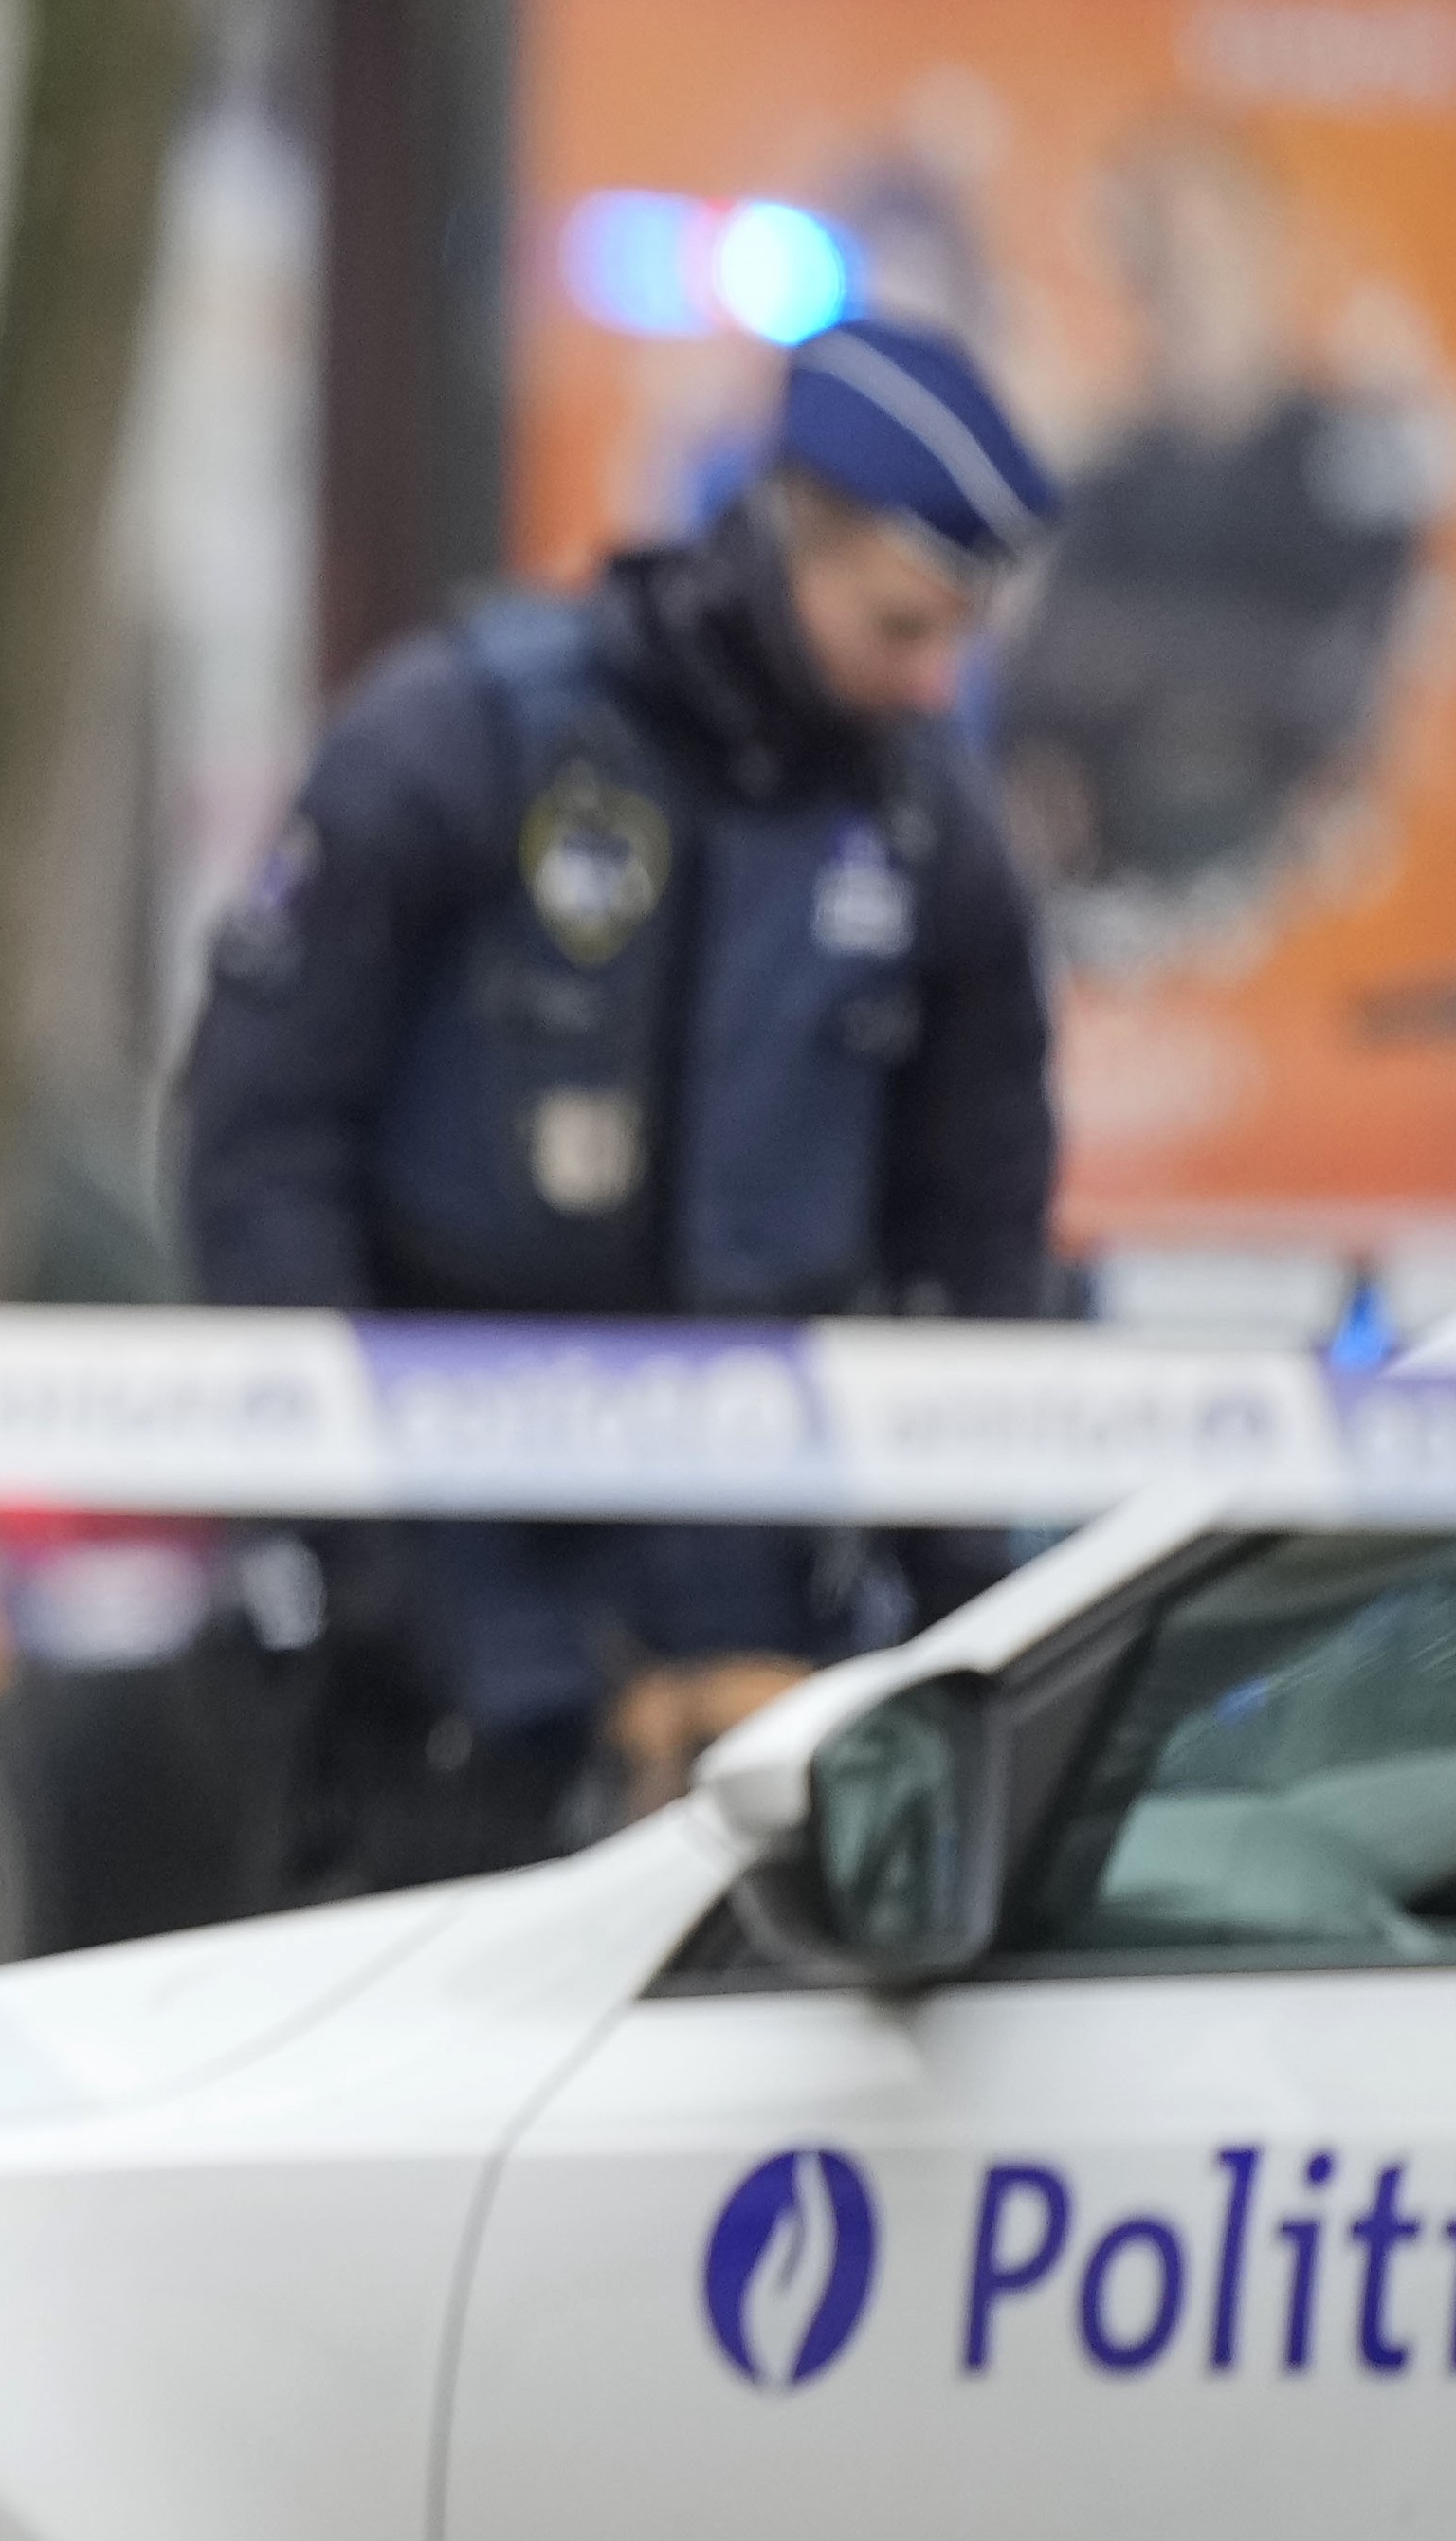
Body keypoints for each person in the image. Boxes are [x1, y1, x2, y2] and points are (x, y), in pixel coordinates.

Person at [171, 314, 1064, 1883]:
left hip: (763, 1628)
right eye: (898, 624)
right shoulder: (465, 736)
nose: (929, 683)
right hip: (447, 1592)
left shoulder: (930, 835)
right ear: (798, 530)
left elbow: (976, 1215)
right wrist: (353, 1555)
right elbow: (257, 1143)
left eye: (954, 643)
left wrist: (951, 1575)